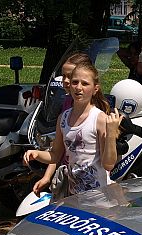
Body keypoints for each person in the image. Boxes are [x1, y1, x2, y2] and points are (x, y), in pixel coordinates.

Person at [23, 59, 123, 197]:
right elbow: (55, 155)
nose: (78, 87)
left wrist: (111, 134)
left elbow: (108, 164)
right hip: (74, 195)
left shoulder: (99, 119)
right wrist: (36, 154)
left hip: (99, 195)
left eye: (85, 83)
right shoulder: (63, 118)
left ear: (95, 89)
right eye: (75, 82)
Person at [32, 53, 91, 197]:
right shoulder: (66, 105)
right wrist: (47, 177)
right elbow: (59, 149)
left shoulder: (97, 114)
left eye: (70, 77)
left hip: (90, 181)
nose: (65, 81)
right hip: (69, 175)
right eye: (63, 76)